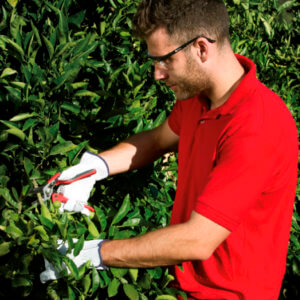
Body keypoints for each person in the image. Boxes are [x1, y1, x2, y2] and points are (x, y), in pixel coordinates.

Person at [40, 0, 299, 299]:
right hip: (178, 287)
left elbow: (198, 240)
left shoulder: (259, 125)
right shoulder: (196, 98)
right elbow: (156, 140)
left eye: (165, 60)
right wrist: (92, 168)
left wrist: (91, 254)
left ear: (201, 48)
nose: (157, 74)